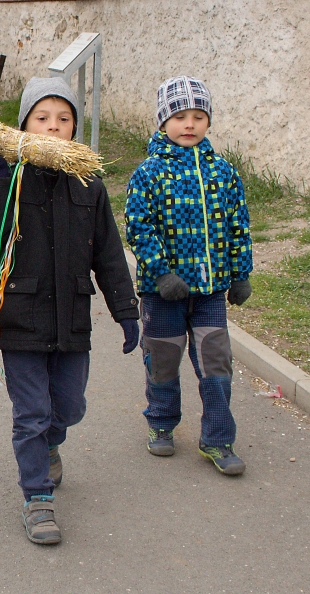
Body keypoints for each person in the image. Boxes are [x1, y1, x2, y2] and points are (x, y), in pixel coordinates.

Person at [0, 76, 140, 546]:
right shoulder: (12, 176)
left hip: (72, 317)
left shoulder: (89, 183)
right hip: (20, 314)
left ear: (74, 129)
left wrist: (126, 309)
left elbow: (107, 252)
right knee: (31, 413)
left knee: (69, 406)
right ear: (25, 125)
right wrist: (1, 174)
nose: (52, 128)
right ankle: (36, 497)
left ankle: (51, 445)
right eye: (42, 119)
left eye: (63, 120)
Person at [125, 76, 253, 476]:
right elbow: (137, 227)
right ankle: (161, 422)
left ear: (208, 122)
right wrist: (161, 273)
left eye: (198, 116)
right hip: (164, 292)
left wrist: (240, 273)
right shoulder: (148, 173)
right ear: (164, 121)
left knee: (216, 363)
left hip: (211, 290)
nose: (189, 124)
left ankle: (217, 439)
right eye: (179, 116)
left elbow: (238, 224)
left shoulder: (223, 172)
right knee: (162, 359)